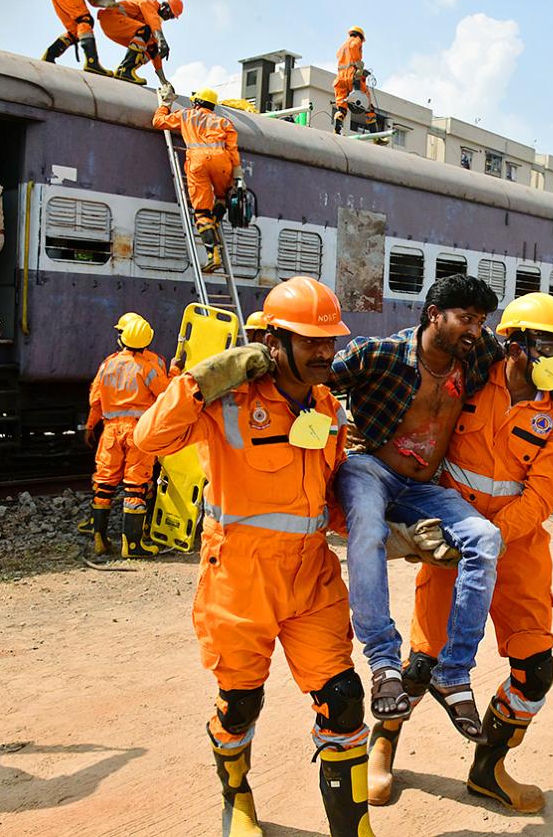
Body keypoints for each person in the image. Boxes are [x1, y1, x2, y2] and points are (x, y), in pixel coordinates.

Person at [133, 277, 376, 837]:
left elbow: (328, 495)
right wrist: (199, 381)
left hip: (312, 579)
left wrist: (392, 529)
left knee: (342, 699)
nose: (325, 352)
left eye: (329, 341)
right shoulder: (226, 402)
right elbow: (149, 440)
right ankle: (237, 797)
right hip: (239, 580)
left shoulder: (327, 410)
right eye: (310, 341)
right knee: (239, 703)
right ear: (272, 342)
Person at [368, 292, 553, 813]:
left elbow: (540, 497)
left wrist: (485, 539)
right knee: (422, 663)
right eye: (546, 344)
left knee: (535, 671)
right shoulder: (463, 383)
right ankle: (381, 751)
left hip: (516, 548)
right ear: (513, 344)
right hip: (449, 540)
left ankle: (489, 769)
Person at [329, 275, 506, 728]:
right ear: (434, 316)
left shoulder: (478, 354)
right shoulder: (380, 354)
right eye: (466, 319)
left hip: (425, 488)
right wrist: (332, 422)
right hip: (371, 470)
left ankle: (453, 671)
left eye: (482, 321)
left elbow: (523, 364)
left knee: (485, 539)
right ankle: (384, 663)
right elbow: (313, 376)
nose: (476, 330)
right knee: (367, 528)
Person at [85, 316, 170, 558]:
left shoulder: (108, 364)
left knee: (104, 485)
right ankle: (133, 545)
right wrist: (174, 372)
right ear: (147, 341)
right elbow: (165, 396)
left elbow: (96, 400)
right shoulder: (148, 367)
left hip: (110, 432)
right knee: (136, 486)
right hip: (138, 432)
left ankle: (100, 539)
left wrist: (90, 426)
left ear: (122, 338)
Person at [152, 87, 244, 272]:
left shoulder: (187, 115)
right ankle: (214, 222)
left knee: (201, 211)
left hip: (198, 162)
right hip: (222, 161)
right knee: (223, 198)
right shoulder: (225, 122)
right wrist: (238, 176)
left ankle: (213, 254)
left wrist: (165, 105)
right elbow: (233, 150)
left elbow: (158, 122)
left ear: (197, 103)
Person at [98, 0, 182, 86]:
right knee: (145, 31)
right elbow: (153, 21)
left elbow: (154, 51)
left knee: (151, 47)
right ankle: (126, 70)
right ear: (164, 6)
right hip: (111, 18)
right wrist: (162, 41)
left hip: (118, 26)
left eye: (172, 17)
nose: (168, 17)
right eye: (169, 13)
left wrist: (164, 81)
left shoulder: (152, 22)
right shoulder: (148, 3)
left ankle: (122, 71)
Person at [333, 26, 378, 136]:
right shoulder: (356, 41)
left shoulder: (343, 46)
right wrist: (359, 66)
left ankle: (337, 127)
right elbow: (353, 48)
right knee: (367, 103)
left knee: (341, 106)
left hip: (340, 78)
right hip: (352, 76)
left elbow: (339, 56)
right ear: (360, 36)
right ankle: (375, 135)